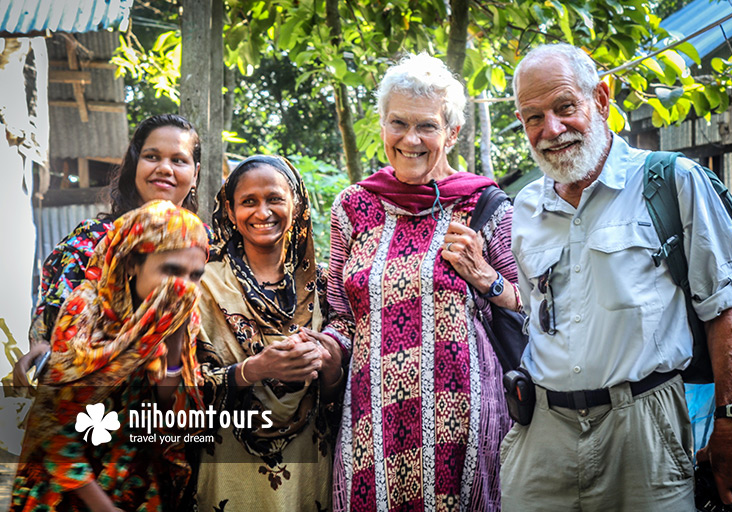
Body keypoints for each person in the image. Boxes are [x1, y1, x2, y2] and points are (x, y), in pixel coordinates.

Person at [500, 43, 732, 511]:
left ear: (600, 98)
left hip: (643, 427)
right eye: (532, 117)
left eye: (564, 107)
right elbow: (543, 312)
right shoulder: (525, 208)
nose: (551, 130)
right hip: (543, 430)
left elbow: (724, 308)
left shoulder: (673, 181)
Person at [323, 53, 520, 511]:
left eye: (427, 126)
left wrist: (486, 278)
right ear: (382, 126)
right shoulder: (354, 206)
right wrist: (321, 349)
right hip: (372, 422)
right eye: (398, 123)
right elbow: (340, 316)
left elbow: (534, 304)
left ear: (451, 133)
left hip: (464, 423)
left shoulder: (485, 206)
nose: (410, 139)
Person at [12, 200, 209, 511]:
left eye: (194, 275)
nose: (182, 287)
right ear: (131, 263)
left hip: (136, 481)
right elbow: (53, 425)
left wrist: (174, 348)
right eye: (171, 270)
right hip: (73, 488)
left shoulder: (183, 316)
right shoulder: (84, 313)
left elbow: (173, 419)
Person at [192, 155, 342, 511]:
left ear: (296, 203)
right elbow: (178, 393)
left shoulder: (323, 284)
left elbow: (343, 392)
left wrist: (330, 363)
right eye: (248, 202)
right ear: (229, 211)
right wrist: (253, 371)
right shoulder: (202, 284)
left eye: (275, 198)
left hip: (309, 468)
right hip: (229, 467)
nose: (263, 212)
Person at [13, 113, 202, 387]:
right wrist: (42, 349)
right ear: (134, 166)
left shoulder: (206, 248)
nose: (164, 168)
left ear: (194, 174)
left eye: (178, 160)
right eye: (152, 156)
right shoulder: (89, 240)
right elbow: (53, 321)